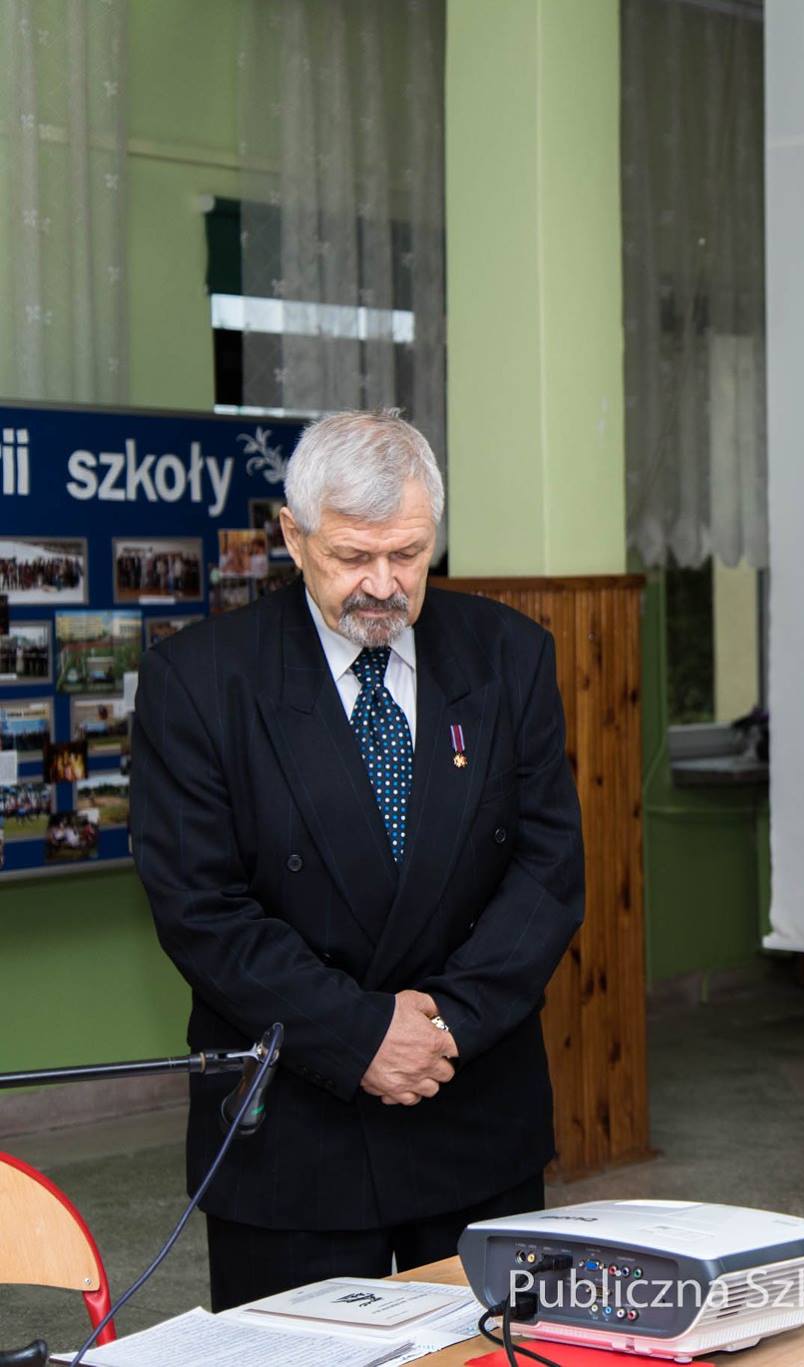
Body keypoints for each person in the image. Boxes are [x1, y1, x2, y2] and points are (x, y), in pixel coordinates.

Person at [131, 408, 585, 1309]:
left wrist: (445, 1024)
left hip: (470, 1103)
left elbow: (548, 868)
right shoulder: (201, 680)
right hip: (296, 1131)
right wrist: (362, 1034)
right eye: (352, 556)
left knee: (486, 1347)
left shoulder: (510, 656)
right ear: (293, 537)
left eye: (408, 553)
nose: (383, 584)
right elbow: (202, 909)